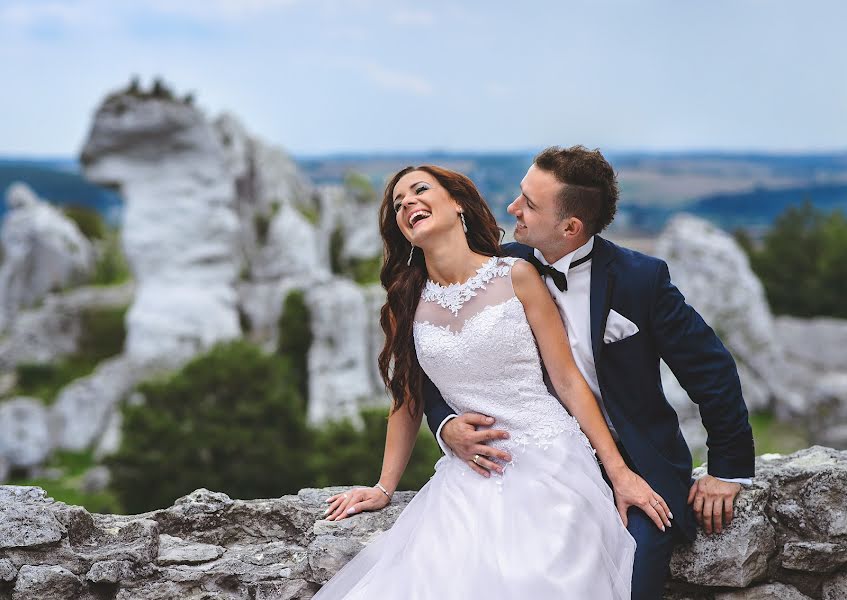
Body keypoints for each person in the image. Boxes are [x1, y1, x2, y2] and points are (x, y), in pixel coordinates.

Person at [314, 164, 672, 600]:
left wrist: (618, 473)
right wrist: (383, 486)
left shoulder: (516, 276)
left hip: (553, 463)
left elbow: (567, 380)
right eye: (397, 203)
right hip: (469, 475)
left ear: (458, 203)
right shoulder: (403, 305)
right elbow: (407, 400)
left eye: (420, 190)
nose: (407, 203)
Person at [426, 146, 756, 600]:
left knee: (630, 574)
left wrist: (727, 470)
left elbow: (711, 369)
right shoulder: (497, 268)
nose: (511, 209)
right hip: (527, 462)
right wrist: (446, 424)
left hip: (632, 463)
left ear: (570, 227)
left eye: (529, 203)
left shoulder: (641, 280)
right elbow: (437, 355)